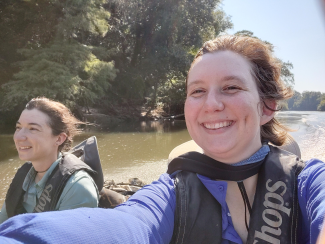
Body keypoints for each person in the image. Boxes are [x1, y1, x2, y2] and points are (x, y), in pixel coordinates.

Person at [0, 35, 325, 244]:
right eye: (197, 91)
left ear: (267, 106)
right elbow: (122, 228)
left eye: (231, 87)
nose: (211, 104)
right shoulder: (171, 194)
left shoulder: (310, 183)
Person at [0, 97, 99, 224]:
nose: (18, 137)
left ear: (59, 139)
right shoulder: (24, 175)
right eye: (18, 128)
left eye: (33, 129)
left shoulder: (77, 188)